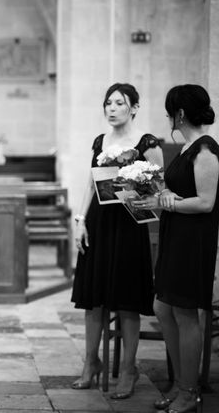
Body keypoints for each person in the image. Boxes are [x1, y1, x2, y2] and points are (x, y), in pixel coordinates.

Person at [71, 83, 163, 399]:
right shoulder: (101, 141)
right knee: (93, 298)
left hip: (129, 226)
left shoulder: (147, 143)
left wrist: (134, 185)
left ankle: (128, 369)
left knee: (126, 302)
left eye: (119, 103)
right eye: (107, 103)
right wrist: (80, 221)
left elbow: (157, 193)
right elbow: (89, 183)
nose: (111, 108)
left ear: (134, 107)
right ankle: (91, 362)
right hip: (99, 223)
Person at [138, 84, 219, 413]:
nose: (168, 116)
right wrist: (158, 196)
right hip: (175, 235)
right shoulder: (187, 148)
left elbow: (206, 203)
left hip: (193, 241)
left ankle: (189, 390)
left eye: (170, 110)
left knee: (185, 313)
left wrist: (169, 203)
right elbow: (177, 194)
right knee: (162, 308)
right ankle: (180, 382)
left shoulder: (206, 151)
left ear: (180, 113)